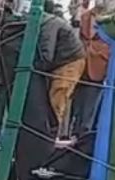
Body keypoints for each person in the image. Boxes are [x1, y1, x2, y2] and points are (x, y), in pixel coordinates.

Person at [41, 1, 87, 136]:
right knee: (57, 96)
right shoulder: (52, 21)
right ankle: (53, 132)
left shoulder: (49, 23)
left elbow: (46, 53)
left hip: (70, 61)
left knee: (58, 95)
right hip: (65, 59)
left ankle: (52, 135)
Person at [73, 3, 110, 136]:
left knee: (91, 106)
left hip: (99, 70)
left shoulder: (109, 21)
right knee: (77, 104)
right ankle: (75, 132)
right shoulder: (86, 16)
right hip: (81, 67)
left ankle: (84, 134)